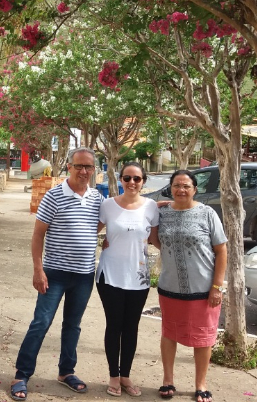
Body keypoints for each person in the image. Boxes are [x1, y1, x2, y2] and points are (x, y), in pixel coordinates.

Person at [10, 147, 104, 401]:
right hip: (54, 274)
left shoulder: (97, 198)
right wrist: (38, 270)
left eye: (88, 166)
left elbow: (100, 223)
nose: (84, 171)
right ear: (69, 167)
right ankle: (21, 375)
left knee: (73, 325)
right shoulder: (54, 196)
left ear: (93, 169)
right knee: (41, 323)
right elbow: (38, 234)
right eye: (79, 166)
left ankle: (66, 372)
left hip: (84, 275)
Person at [149, 170, 227, 402]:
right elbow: (154, 239)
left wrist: (217, 286)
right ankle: (168, 380)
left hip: (203, 290)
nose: (181, 190)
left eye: (186, 186)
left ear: (195, 189)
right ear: (170, 188)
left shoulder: (207, 213)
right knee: (169, 333)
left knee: (203, 338)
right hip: (170, 287)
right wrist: (154, 206)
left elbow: (221, 250)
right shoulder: (162, 213)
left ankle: (201, 384)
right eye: (176, 185)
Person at [96, 162, 159, 397]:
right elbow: (90, 230)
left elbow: (156, 240)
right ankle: (114, 375)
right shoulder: (108, 205)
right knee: (114, 325)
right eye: (127, 178)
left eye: (137, 179)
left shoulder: (151, 207)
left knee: (131, 327)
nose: (132, 182)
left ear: (143, 181)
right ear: (121, 180)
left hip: (139, 278)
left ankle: (126, 376)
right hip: (110, 275)